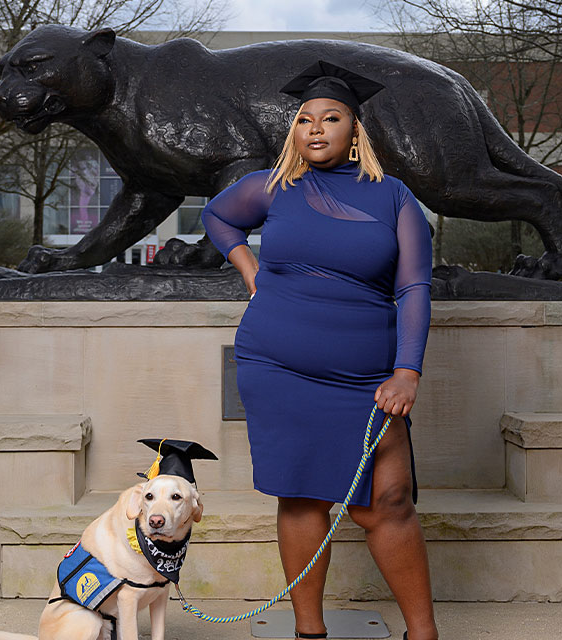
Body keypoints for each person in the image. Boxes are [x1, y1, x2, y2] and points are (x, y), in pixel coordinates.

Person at [202, 60, 437, 640]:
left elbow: (413, 287)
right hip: (278, 365)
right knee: (303, 498)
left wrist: (407, 370)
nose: (315, 129)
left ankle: (423, 632)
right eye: (304, 120)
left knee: (388, 501)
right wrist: (249, 268)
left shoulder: (394, 197)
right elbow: (216, 217)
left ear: (355, 129)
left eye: (330, 118)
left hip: (367, 377)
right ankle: (310, 631)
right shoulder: (272, 186)